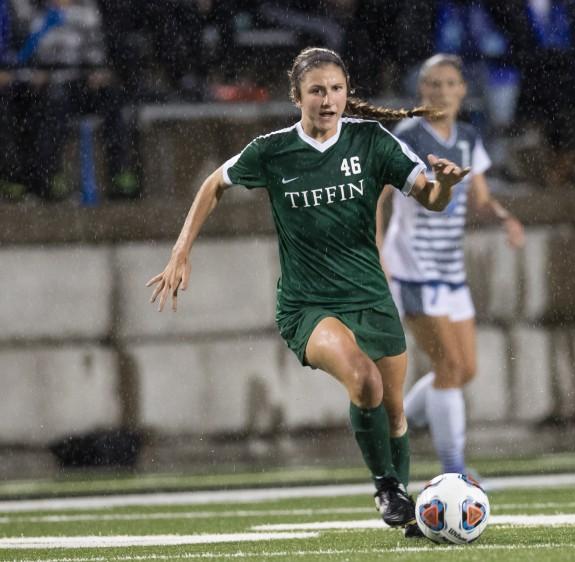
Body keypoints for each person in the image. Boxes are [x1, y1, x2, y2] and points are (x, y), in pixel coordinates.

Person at [146, 47, 469, 538]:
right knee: (364, 381)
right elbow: (214, 183)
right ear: (296, 96)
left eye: (336, 89)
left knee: (394, 412)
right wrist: (180, 251)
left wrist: (444, 186)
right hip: (308, 305)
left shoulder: (370, 142)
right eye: (316, 90)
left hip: (370, 297)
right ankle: (385, 486)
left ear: (347, 92)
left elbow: (429, 196)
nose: (328, 99)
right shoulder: (274, 150)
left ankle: (402, 507)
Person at [378, 53, 524, 478]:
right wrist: (379, 255)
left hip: (450, 271)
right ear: (421, 91)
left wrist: (503, 217)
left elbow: (479, 197)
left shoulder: (466, 137)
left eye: (449, 84)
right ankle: (455, 470)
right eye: (433, 84)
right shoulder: (406, 136)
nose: (442, 92)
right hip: (413, 269)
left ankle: (400, 421)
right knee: (447, 368)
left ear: (462, 89)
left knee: (465, 370)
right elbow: (378, 199)